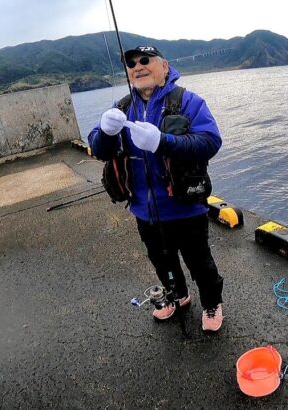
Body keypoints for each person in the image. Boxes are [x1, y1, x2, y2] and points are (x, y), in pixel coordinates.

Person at [88, 46, 224, 331]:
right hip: (144, 210)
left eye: (145, 60)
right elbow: (100, 150)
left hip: (186, 207)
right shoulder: (122, 107)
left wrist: (164, 142)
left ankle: (211, 303)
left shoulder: (188, 101)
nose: (138, 66)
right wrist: (104, 132)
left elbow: (210, 142)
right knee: (162, 261)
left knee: (200, 262)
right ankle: (178, 295)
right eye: (131, 63)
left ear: (164, 66)